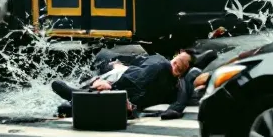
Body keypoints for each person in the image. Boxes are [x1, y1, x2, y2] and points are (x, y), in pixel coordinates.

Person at [50, 48, 208, 120]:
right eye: (176, 62)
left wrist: (173, 111)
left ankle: (80, 98)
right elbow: (135, 73)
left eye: (181, 67)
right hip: (120, 77)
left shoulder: (180, 82)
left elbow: (178, 103)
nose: (176, 67)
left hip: (126, 90)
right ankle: (82, 95)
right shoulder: (160, 63)